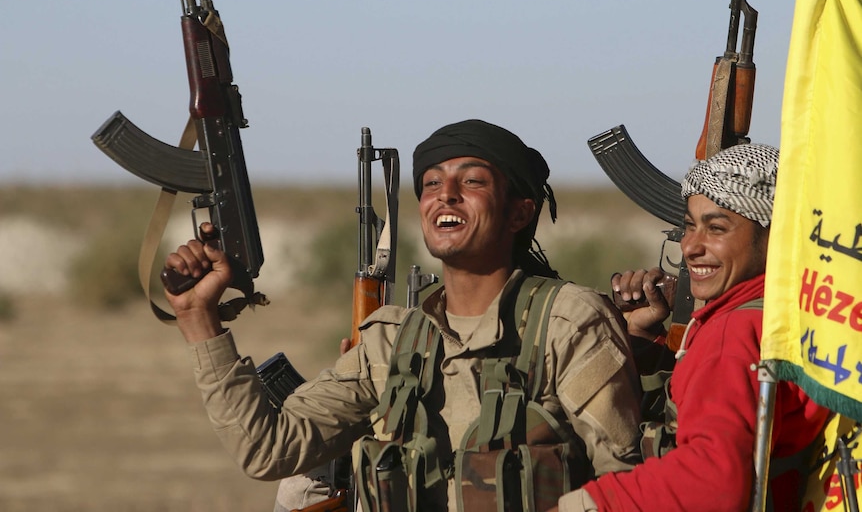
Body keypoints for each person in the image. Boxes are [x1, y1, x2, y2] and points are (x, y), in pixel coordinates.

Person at [164, 119, 644, 511]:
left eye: (471, 181)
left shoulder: (569, 322)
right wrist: (198, 317)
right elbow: (268, 447)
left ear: (520, 213)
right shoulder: (392, 341)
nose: (445, 194)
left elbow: (626, 484)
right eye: (431, 183)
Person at [557, 143, 832, 512]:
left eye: (716, 228)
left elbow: (712, 481)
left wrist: (587, 505)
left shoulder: (734, 331)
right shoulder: (802, 312)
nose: (690, 247)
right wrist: (642, 340)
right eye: (689, 226)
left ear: (776, 237)